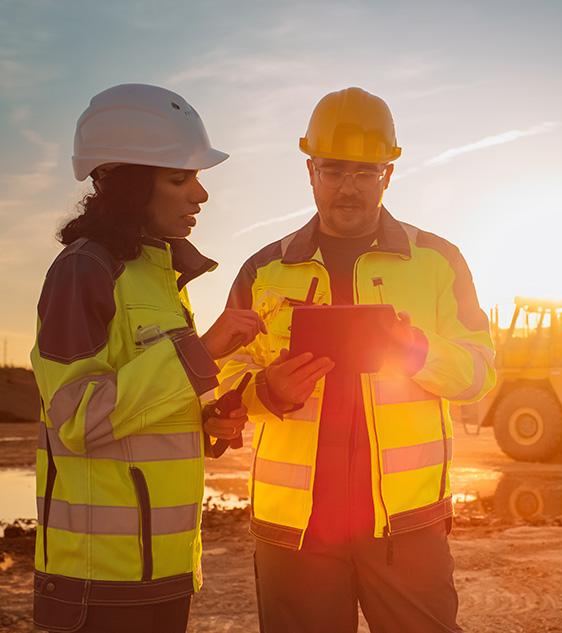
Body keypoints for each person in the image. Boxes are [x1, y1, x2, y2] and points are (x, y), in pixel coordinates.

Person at [219, 86, 496, 632]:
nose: (349, 187)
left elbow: (482, 372)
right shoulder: (262, 271)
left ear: (387, 175)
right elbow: (220, 378)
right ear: (311, 172)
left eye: (365, 173)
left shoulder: (439, 262)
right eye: (334, 170)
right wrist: (265, 390)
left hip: (406, 527)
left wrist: (418, 352)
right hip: (296, 531)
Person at [31, 83, 264, 633]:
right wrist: (199, 353)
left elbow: (144, 411)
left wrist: (209, 420)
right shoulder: (82, 271)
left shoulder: (161, 279)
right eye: (180, 178)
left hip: (166, 570)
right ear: (132, 185)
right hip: (97, 583)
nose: (199, 195)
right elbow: (76, 418)